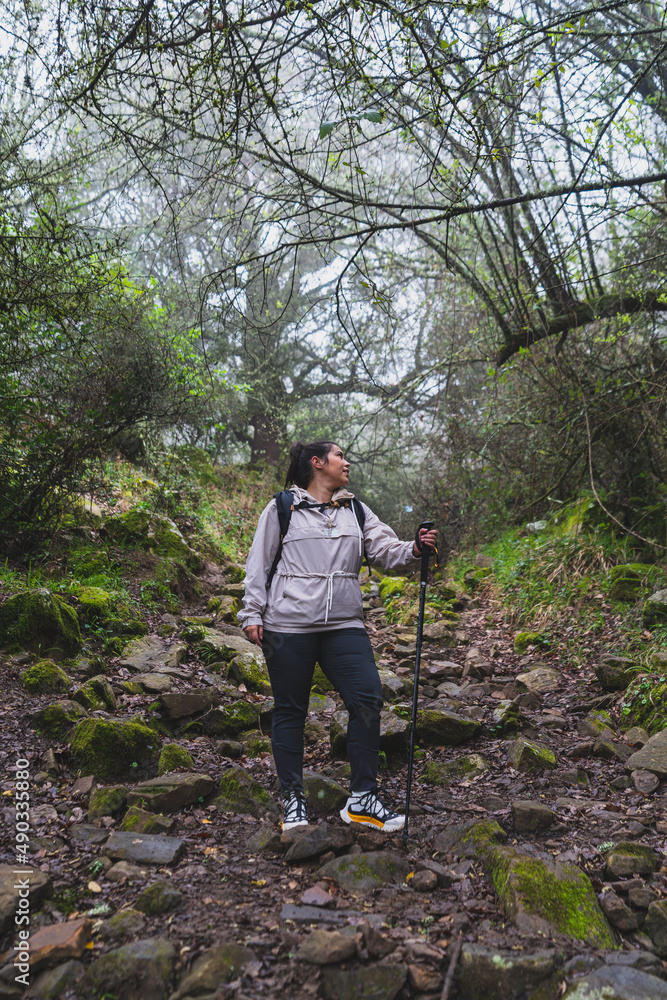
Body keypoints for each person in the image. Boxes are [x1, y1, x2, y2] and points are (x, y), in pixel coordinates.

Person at [238, 440, 437, 832]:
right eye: (339, 455)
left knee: (367, 697)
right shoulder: (282, 508)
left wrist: (414, 549)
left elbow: (385, 552)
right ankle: (293, 800)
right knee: (291, 710)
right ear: (317, 463)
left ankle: (363, 799)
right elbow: (258, 563)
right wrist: (251, 612)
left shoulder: (356, 510)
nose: (346, 462)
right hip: (288, 624)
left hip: (344, 623)